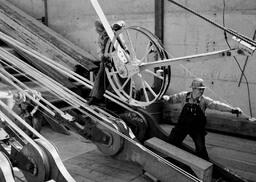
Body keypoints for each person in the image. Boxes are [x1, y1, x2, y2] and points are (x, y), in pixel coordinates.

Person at [162, 78, 242, 160]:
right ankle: (168, 158)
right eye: (199, 89)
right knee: (172, 141)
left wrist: (232, 109)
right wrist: (166, 98)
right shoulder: (183, 96)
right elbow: (172, 99)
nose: (201, 91)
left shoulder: (204, 100)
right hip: (183, 125)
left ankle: (204, 165)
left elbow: (217, 105)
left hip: (197, 128)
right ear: (193, 88)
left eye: (202, 89)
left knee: (201, 149)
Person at [87, 20, 126, 105]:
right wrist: (102, 57)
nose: (102, 34)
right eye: (100, 32)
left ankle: (130, 97)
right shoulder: (100, 37)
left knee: (124, 77)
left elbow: (122, 24)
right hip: (108, 59)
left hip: (119, 57)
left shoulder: (114, 32)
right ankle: (95, 97)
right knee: (101, 75)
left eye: (103, 31)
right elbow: (100, 49)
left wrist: (117, 27)